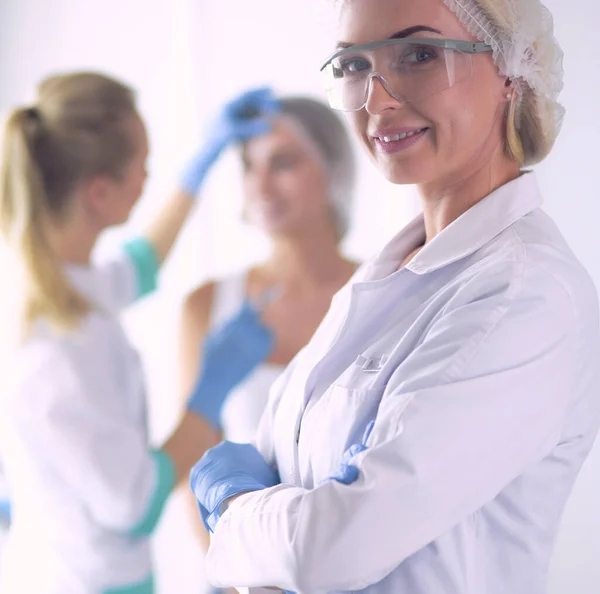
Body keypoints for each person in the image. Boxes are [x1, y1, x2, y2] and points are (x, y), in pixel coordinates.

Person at [189, 1, 600, 593]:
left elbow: (327, 552)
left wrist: (233, 514)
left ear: (516, 69)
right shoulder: (382, 278)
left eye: (420, 55)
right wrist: (283, 529)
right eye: (354, 64)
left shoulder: (526, 295)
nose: (377, 99)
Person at [0, 73, 279, 594]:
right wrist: (208, 393)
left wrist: (202, 164)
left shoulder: (63, 283)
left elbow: (141, 266)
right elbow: (135, 504)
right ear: (100, 194)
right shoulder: (60, 352)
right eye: (142, 168)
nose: (150, 176)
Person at [178, 94, 358, 571]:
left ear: (333, 167)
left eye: (283, 163)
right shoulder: (207, 306)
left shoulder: (382, 294)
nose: (260, 184)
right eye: (248, 165)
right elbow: (191, 466)